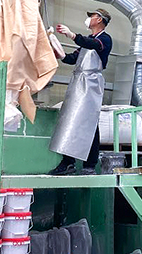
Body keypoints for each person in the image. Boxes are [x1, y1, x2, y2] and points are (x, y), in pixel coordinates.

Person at [48, 9, 113, 175]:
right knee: (71, 119)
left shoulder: (104, 39)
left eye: (92, 16)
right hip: (78, 83)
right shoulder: (88, 40)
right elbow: (73, 58)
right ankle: (68, 162)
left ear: (99, 19)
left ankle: (89, 165)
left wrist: (71, 35)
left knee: (89, 123)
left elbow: (92, 45)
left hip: (91, 84)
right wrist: (60, 54)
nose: (89, 19)